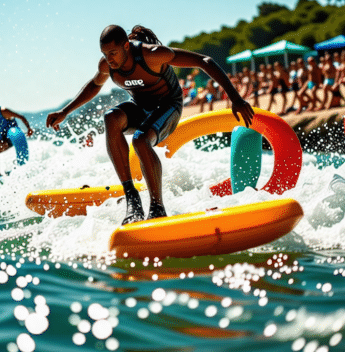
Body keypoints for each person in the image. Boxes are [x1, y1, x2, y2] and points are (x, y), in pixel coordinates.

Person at [46, 25, 254, 224]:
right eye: (105, 53)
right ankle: (132, 200)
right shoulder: (106, 65)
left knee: (141, 140)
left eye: (113, 53)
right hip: (141, 107)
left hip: (168, 107)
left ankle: (157, 207)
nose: (109, 59)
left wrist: (236, 99)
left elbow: (205, 61)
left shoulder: (153, 55)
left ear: (126, 46)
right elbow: (94, 85)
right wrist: (65, 111)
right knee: (110, 118)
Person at [0, 96, 34, 177]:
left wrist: (29, 128)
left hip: (14, 135)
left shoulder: (4, 111)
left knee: (0, 143)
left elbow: (21, 116)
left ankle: (23, 168)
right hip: (4, 137)